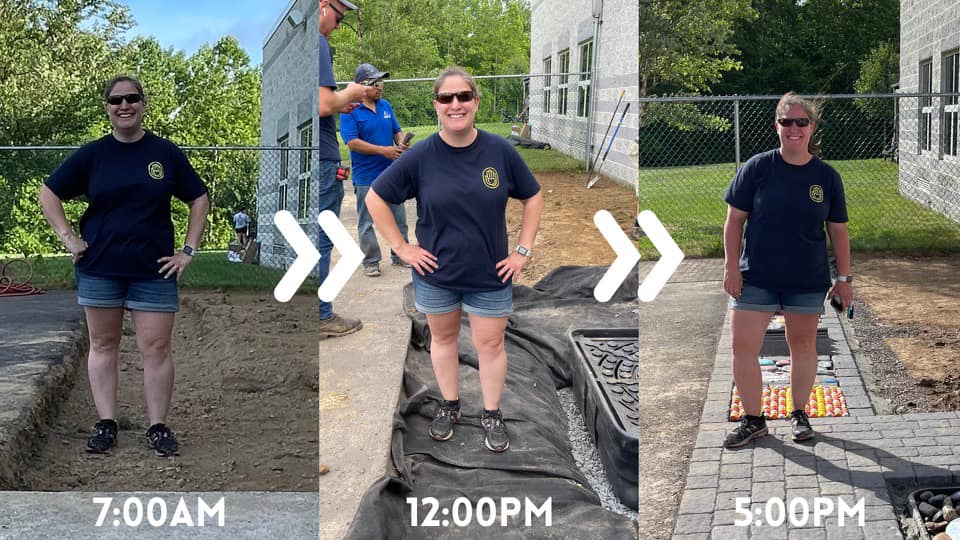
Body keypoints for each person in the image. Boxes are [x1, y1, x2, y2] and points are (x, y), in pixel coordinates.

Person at [365, 67, 544, 453]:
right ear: (436, 106)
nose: (456, 104)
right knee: (443, 340)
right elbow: (375, 199)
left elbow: (533, 196)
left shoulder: (500, 151)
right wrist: (402, 247)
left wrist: (523, 251)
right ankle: (450, 405)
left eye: (463, 96)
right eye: (446, 98)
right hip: (437, 274)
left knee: (490, 345)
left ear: (476, 102)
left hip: (490, 273)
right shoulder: (421, 156)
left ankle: (491, 413)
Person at [38, 75, 210, 457]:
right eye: (116, 100)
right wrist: (69, 239)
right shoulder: (93, 155)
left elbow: (199, 198)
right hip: (100, 267)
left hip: (155, 270)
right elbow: (48, 193)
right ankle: (106, 423)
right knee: (103, 344)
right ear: (108, 108)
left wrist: (188, 250)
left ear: (143, 104)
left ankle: (158, 427)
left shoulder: (165, 154)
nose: (124, 105)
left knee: (157, 348)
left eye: (132, 98)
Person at [722, 92, 853, 449]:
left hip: (805, 280)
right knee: (742, 347)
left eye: (801, 122)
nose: (794, 129)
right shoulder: (757, 168)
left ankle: (799, 414)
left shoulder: (826, 177)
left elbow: (837, 231)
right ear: (776, 126)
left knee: (803, 346)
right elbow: (734, 222)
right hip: (756, 277)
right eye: (786, 122)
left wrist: (844, 280)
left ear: (812, 127)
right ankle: (754, 420)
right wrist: (732, 267)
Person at [316, 0, 379, 339]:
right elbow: (324, 103)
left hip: (317, 159)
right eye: (338, 17)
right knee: (323, 240)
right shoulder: (318, 42)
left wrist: (344, 101)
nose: (337, 26)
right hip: (324, 161)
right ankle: (322, 315)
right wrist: (350, 93)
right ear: (323, 6)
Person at [339, 63, 412, 278]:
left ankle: (400, 255)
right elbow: (351, 142)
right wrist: (384, 151)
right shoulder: (350, 110)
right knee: (367, 221)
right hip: (366, 176)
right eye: (375, 83)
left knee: (399, 217)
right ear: (362, 85)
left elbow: (397, 131)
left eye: (382, 83)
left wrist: (401, 143)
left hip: (391, 173)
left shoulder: (386, 106)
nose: (380, 87)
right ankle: (371, 261)